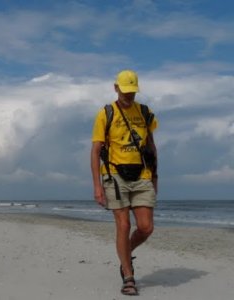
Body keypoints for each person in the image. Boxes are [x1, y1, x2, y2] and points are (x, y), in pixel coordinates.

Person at [91, 70, 158, 296]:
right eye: (125, 91)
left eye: (132, 92)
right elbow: (95, 150)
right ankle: (128, 276)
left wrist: (155, 177)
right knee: (124, 225)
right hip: (114, 176)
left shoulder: (146, 113)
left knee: (146, 227)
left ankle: (124, 254)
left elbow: (151, 146)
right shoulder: (106, 113)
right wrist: (97, 186)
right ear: (116, 88)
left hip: (142, 176)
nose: (129, 96)